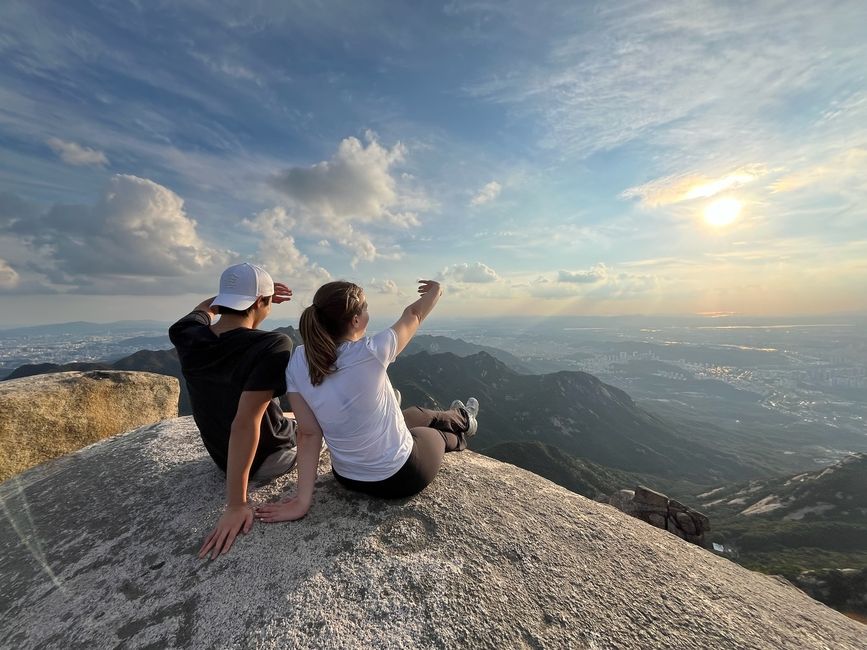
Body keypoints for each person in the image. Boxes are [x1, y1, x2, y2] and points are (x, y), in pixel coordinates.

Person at [255, 279, 479, 524]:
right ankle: (460, 434)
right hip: (401, 476)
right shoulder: (372, 351)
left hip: (347, 477)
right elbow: (414, 313)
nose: (368, 313)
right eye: (366, 308)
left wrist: (301, 502)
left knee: (414, 413)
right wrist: (436, 291)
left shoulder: (298, 360)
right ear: (355, 320)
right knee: (434, 432)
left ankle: (461, 417)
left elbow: (308, 434)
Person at [168, 262, 298, 559]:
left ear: (223, 300)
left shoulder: (186, 333)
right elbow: (245, 422)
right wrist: (237, 504)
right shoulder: (272, 344)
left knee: (281, 413)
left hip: (221, 458)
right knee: (318, 428)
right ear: (261, 303)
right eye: (266, 303)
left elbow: (205, 308)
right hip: (268, 457)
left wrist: (239, 292)